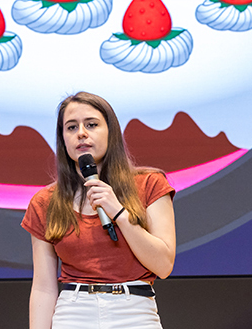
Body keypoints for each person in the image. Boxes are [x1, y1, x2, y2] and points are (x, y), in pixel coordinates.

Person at [22, 91, 176, 329]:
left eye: (91, 124)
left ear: (111, 132)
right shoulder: (45, 202)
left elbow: (163, 265)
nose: (81, 133)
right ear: (63, 138)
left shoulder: (150, 184)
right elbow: (43, 287)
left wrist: (120, 214)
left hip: (134, 311)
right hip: (73, 312)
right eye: (71, 127)